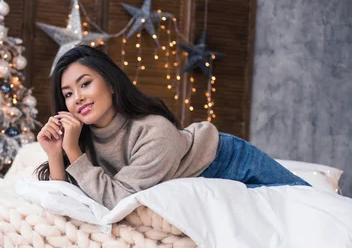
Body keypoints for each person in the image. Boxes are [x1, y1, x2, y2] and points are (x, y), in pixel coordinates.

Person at [35, 45, 310, 209]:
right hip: (191, 179)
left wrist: (72, 150)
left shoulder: (154, 131)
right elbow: (68, 199)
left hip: (228, 163)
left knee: (309, 206)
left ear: (110, 83)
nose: (78, 97)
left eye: (85, 84)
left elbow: (120, 199)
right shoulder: (82, 137)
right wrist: (57, 152)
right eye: (68, 93)